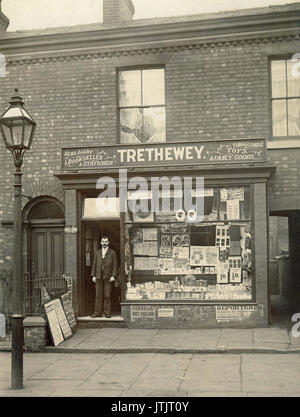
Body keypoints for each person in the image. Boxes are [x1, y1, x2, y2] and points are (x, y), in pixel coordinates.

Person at [90, 235, 118, 318]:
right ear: (101, 242)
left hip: (108, 277)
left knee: (107, 295)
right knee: (98, 295)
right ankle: (97, 312)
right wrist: (93, 275)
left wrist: (113, 275)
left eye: (106, 241)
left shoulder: (112, 253)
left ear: (108, 242)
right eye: (103, 241)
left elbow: (115, 265)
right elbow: (94, 264)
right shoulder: (97, 253)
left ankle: (107, 312)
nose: (104, 243)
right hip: (98, 276)